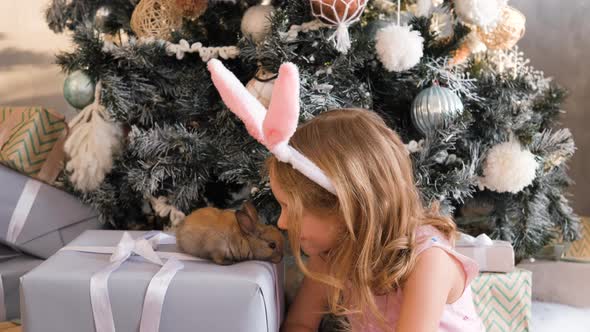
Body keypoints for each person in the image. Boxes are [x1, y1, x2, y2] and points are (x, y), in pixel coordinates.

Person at [206, 59, 484, 332]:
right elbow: (300, 323)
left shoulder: (428, 262)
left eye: (291, 209)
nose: (282, 223)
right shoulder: (334, 252)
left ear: (345, 207)